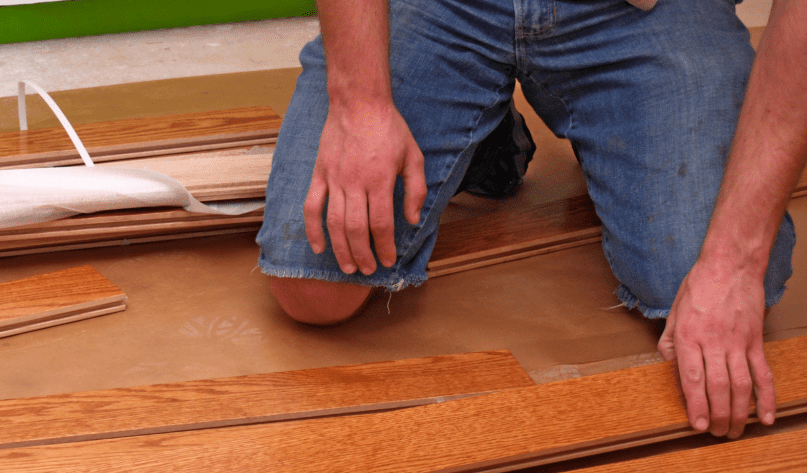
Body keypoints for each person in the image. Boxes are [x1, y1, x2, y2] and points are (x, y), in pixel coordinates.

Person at [256, 0, 807, 439]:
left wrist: (734, 262)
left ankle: (609, 121)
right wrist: (363, 105)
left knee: (701, 287)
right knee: (316, 282)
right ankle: (479, 131)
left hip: (643, 10)